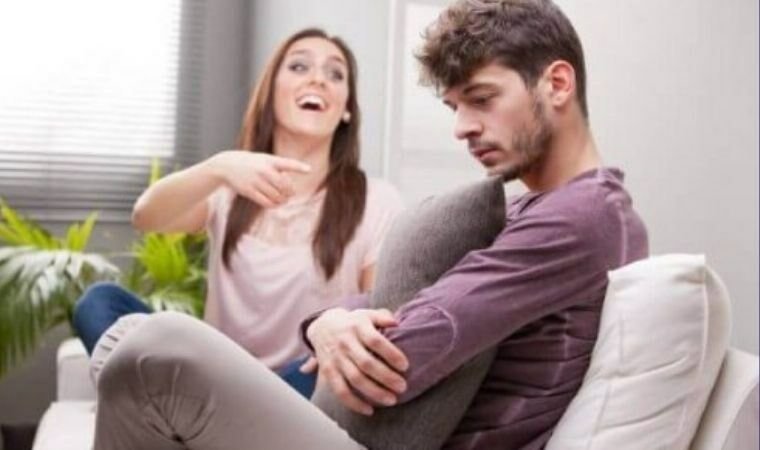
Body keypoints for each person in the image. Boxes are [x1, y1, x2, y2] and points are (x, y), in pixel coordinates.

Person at [90, 1, 649, 449]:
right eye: (454, 106)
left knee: (153, 348)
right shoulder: (535, 208)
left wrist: (332, 327)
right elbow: (390, 304)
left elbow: (407, 348)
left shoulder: (583, 217)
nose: (461, 127)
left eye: (481, 99)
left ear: (557, 84)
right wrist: (328, 321)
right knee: (121, 332)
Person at [72, 28, 402, 399]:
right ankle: (192, 414)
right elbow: (146, 216)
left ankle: (178, 416)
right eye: (299, 66)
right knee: (99, 302)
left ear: (346, 109)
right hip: (214, 379)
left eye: (335, 74)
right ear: (270, 93)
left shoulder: (377, 200)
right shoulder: (228, 187)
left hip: (296, 391)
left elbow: (378, 313)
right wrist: (219, 167)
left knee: (324, 367)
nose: (317, 79)